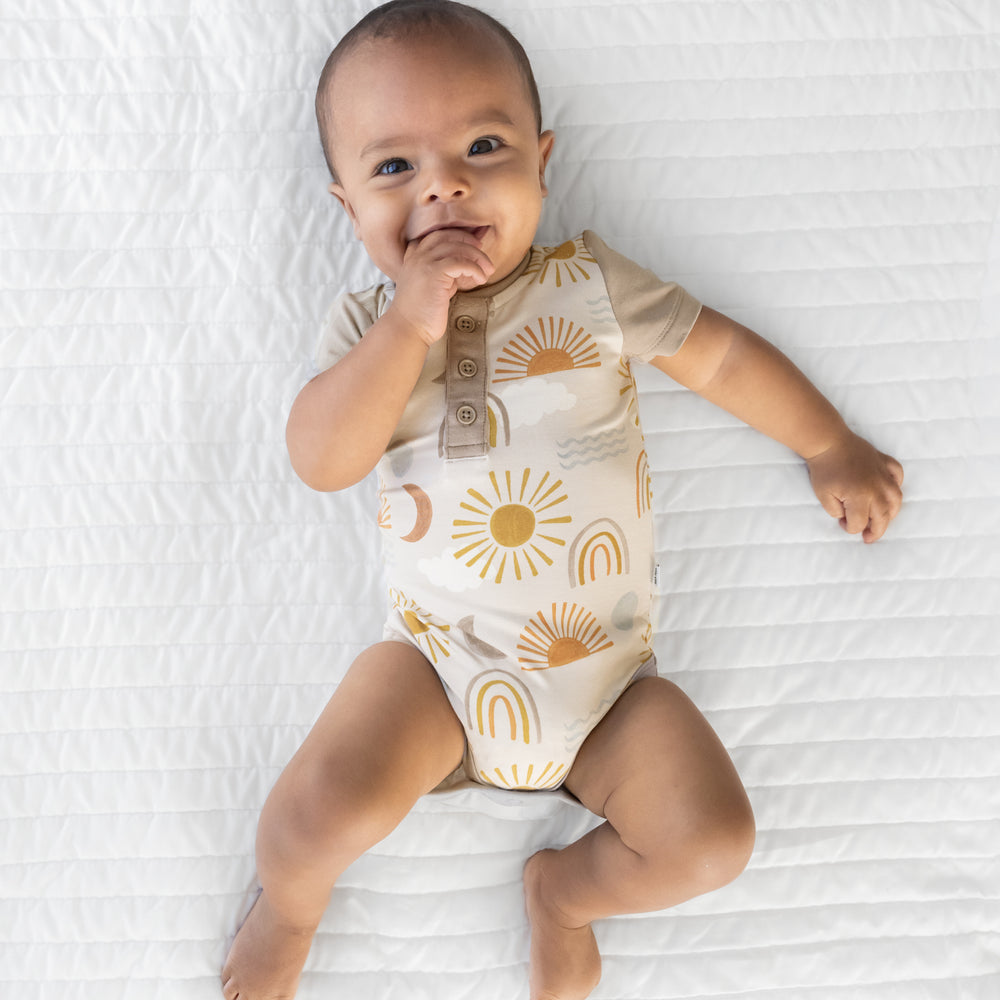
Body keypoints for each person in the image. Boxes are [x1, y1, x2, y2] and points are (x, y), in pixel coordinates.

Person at [221, 2, 904, 998]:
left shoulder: (590, 288)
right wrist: (411, 323)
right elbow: (322, 458)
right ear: (347, 207)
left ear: (542, 161)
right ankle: (289, 906)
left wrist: (825, 441)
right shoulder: (371, 330)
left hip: (608, 689)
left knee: (711, 840)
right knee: (318, 811)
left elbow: (717, 356)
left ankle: (567, 893)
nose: (444, 183)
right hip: (437, 671)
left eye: (481, 145)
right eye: (393, 169)